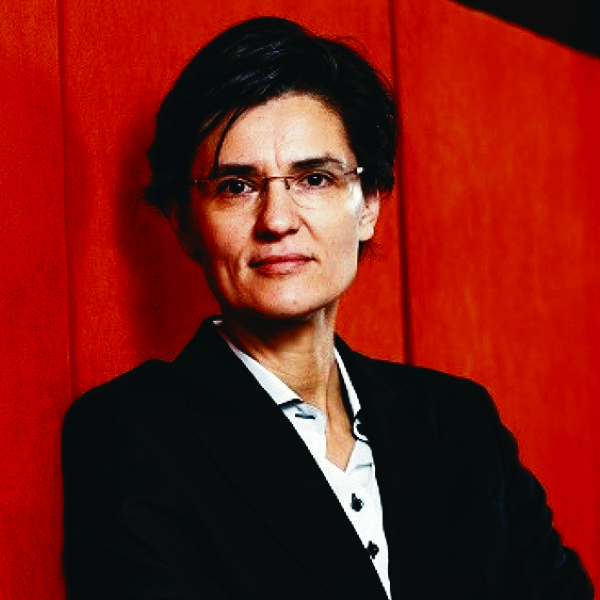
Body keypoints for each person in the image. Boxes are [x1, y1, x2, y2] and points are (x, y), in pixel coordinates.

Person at [62, 16, 593, 600]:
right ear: (185, 223)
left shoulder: (458, 421)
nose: (277, 220)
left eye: (314, 178)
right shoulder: (134, 434)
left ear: (368, 205)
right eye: (236, 185)